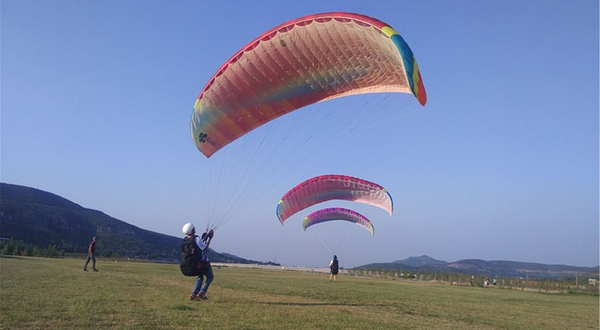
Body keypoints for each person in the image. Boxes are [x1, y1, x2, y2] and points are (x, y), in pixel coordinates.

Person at [182, 223, 214, 301]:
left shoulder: (186, 240)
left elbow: (198, 245)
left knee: (200, 276)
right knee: (210, 276)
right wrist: (210, 238)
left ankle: (193, 295)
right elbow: (205, 248)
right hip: (201, 262)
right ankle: (202, 293)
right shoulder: (196, 239)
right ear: (192, 230)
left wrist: (205, 236)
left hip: (191, 264)